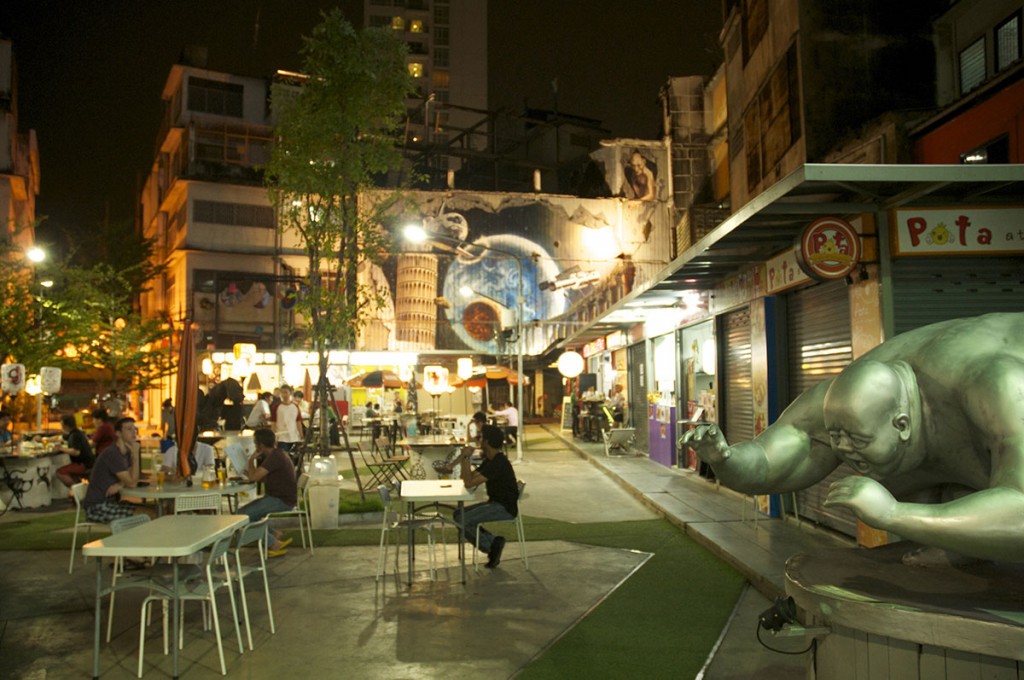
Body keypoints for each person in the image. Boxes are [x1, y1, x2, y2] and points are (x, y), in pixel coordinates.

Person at [683, 312, 1024, 564]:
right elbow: (772, 460)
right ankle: (960, 542)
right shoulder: (842, 399)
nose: (843, 449)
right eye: (837, 438)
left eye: (857, 439)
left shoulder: (1000, 388)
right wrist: (724, 458)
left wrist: (892, 514)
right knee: (899, 472)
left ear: (901, 423)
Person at [451, 424, 519, 568]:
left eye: (481, 438)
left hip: (504, 507)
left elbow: (468, 483)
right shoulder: (491, 460)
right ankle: (493, 543)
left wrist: (465, 457)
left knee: (462, 519)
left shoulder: (498, 463)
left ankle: (491, 546)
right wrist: (465, 458)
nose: (479, 441)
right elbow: (467, 478)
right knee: (458, 515)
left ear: (487, 442)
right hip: (495, 503)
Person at [239, 427, 296, 556]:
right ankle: (274, 535)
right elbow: (257, 476)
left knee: (242, 515)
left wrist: (251, 460)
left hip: (281, 500)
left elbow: (254, 477)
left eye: (255, 443)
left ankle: (273, 543)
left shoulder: (274, 457)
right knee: (251, 514)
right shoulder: (277, 454)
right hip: (281, 497)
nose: (254, 446)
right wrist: (252, 471)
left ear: (261, 445)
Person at [83, 417, 152, 522]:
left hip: (112, 502)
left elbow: (132, 477)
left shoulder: (126, 452)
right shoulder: (113, 454)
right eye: (129, 429)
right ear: (118, 433)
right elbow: (132, 483)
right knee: (150, 515)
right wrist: (135, 456)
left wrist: (120, 484)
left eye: (134, 429)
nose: (134, 432)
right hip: (98, 507)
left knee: (154, 510)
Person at [55, 414, 95, 488]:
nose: (61, 427)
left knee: (60, 472)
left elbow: (76, 452)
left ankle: (76, 490)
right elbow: (62, 437)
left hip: (83, 464)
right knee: (72, 474)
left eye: (62, 424)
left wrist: (61, 448)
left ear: (65, 425)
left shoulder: (74, 436)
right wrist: (43, 439)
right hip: (89, 462)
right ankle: (78, 488)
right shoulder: (77, 433)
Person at [273, 385, 303, 454]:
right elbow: (274, 423)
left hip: (294, 436)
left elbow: (298, 421)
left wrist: (301, 434)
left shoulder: (295, 406)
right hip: (281, 437)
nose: (284, 395)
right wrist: (273, 436)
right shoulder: (277, 407)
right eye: (282, 393)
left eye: (286, 392)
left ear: (290, 393)